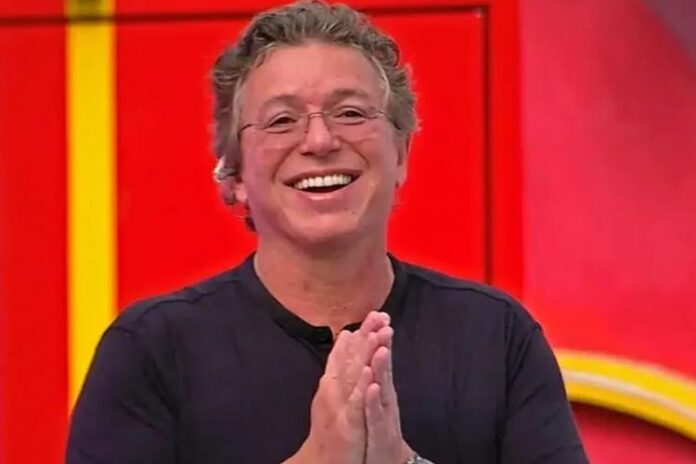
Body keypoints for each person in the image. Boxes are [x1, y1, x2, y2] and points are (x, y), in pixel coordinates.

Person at [66, 1, 588, 463]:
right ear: (235, 172)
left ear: (401, 154)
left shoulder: (495, 337)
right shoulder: (151, 351)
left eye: (351, 112)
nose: (319, 139)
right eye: (281, 120)